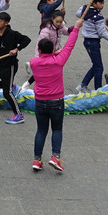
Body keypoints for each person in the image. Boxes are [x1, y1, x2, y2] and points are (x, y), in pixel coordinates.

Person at [29, 18, 83, 172]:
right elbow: (69, 46)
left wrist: (53, 53)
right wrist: (77, 28)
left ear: (39, 50)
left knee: (41, 130)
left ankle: (37, 160)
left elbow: (44, 58)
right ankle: (55, 157)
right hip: (56, 101)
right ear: (52, 49)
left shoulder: (34, 62)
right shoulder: (59, 61)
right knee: (57, 129)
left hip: (40, 101)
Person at [0, 11, 31, 124]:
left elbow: (27, 40)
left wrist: (17, 49)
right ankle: (11, 86)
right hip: (1, 65)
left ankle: (19, 115)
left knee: (7, 93)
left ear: (6, 23)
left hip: (10, 65)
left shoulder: (13, 34)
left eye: (0, 21)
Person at [75, 0, 108, 94]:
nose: (102, 5)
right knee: (99, 67)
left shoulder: (85, 10)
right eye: (100, 3)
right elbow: (102, 33)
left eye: (103, 3)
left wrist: (86, 6)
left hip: (87, 41)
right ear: (94, 3)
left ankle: (83, 86)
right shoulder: (98, 17)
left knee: (96, 65)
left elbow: (78, 13)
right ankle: (98, 91)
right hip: (93, 42)